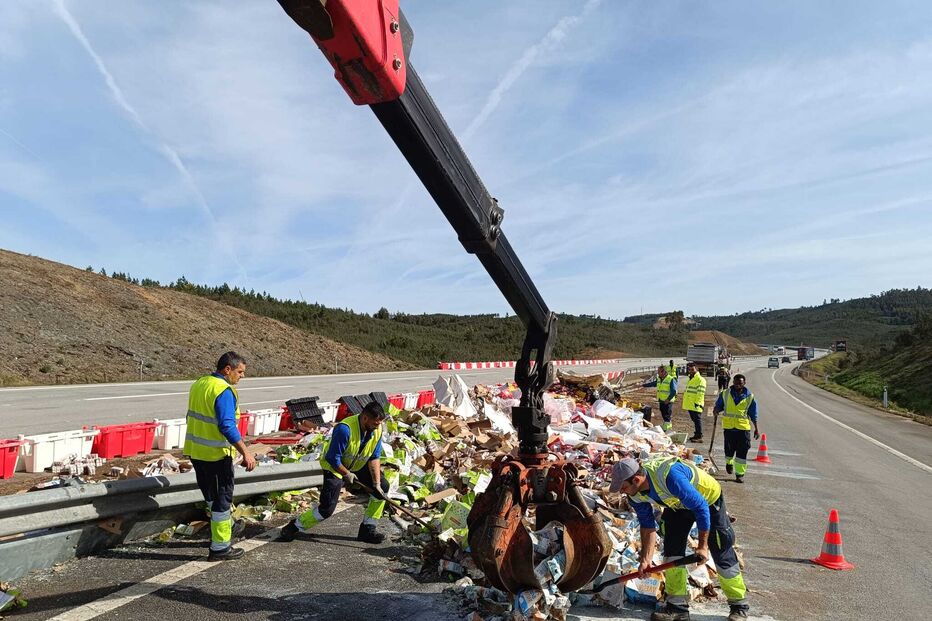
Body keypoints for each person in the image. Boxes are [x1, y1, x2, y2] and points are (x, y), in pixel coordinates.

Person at [611, 456, 749, 621]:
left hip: (707, 500)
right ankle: (677, 608)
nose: (622, 492)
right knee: (672, 550)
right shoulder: (634, 495)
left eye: (623, 487)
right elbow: (647, 526)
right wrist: (645, 559)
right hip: (677, 504)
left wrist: (702, 546)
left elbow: (701, 507)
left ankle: (738, 606)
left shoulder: (670, 477)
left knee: (720, 549)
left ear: (636, 479)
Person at [280, 401, 390, 544]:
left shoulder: (377, 429)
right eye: (375, 423)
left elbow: (374, 457)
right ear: (365, 418)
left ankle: (368, 529)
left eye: (379, 423)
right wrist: (347, 474)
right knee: (326, 509)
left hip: (358, 465)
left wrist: (376, 484)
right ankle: (294, 526)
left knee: (382, 489)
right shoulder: (345, 429)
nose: (377, 427)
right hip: (335, 467)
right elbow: (333, 458)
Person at [183, 351, 257, 561]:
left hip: (196, 452)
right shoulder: (224, 390)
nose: (242, 376)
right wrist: (245, 452)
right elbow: (227, 425)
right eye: (240, 372)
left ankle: (228, 526)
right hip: (215, 455)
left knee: (210, 496)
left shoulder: (200, 383)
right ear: (228, 369)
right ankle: (220, 547)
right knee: (222, 499)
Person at [712, 374, 760, 483]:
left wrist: (756, 428)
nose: (738, 385)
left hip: (743, 429)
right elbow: (719, 405)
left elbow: (753, 413)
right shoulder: (725, 393)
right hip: (729, 428)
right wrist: (716, 410)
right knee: (729, 450)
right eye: (736, 382)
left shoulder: (749, 396)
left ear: (744, 383)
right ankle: (729, 463)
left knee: (742, 451)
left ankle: (739, 474)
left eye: (740, 383)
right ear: (733, 382)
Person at [683, 363, 707, 443]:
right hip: (690, 404)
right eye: (689, 369)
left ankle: (699, 436)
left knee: (697, 420)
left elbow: (700, 393)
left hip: (696, 404)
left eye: (692, 369)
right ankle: (697, 434)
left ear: (697, 369)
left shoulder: (700, 380)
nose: (691, 371)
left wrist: (698, 403)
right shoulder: (691, 379)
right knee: (695, 420)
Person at [655, 365, 677, 432]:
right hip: (661, 400)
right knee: (664, 414)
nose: (658, 373)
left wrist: (668, 399)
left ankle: (667, 429)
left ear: (663, 372)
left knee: (667, 415)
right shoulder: (659, 379)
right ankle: (666, 426)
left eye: (659, 372)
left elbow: (674, 391)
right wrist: (642, 385)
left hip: (667, 401)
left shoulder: (671, 379)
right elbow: (654, 383)